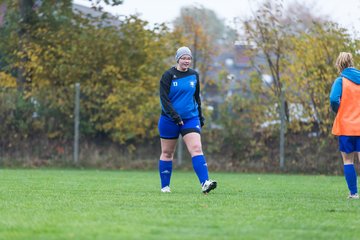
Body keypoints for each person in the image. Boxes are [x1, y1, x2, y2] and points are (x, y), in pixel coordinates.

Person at [157, 46, 217, 194]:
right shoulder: (168, 75)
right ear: (178, 59)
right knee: (167, 153)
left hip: (190, 118)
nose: (186, 61)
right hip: (169, 120)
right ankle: (165, 187)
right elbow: (164, 100)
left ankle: (205, 183)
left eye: (189, 58)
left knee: (196, 148)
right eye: (183, 58)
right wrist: (175, 116)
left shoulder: (194, 75)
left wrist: (200, 115)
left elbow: (197, 98)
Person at [330, 52, 360, 199]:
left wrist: (340, 110)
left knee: (348, 160)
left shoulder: (340, 81)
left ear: (339, 65)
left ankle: (354, 193)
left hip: (347, 126)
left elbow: (333, 99)